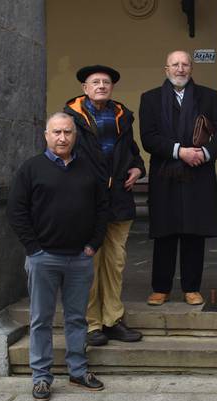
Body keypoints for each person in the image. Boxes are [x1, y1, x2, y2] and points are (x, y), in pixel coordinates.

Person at [7, 113, 107, 401]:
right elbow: (16, 211)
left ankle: (78, 370)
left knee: (77, 318)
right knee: (41, 319)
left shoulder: (88, 168)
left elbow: (103, 208)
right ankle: (41, 377)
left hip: (80, 258)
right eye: (56, 132)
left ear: (75, 135)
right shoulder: (31, 169)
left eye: (67, 132)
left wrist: (93, 244)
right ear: (46, 135)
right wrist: (33, 248)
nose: (62, 138)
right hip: (44, 258)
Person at [64, 65, 146, 346]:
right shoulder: (72, 118)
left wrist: (137, 168)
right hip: (86, 202)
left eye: (106, 82)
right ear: (85, 88)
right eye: (95, 82)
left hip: (119, 201)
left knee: (115, 262)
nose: (101, 85)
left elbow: (132, 151)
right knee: (88, 263)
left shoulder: (123, 116)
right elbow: (61, 153)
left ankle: (113, 319)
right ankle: (90, 323)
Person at [139, 50, 217, 306]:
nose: (180, 69)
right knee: (165, 232)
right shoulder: (150, 99)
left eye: (185, 64)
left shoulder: (208, 96)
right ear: (166, 69)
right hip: (165, 174)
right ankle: (161, 287)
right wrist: (180, 152)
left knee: (193, 233)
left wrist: (206, 153)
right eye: (175, 64)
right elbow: (148, 137)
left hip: (199, 172)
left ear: (191, 69)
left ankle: (191, 287)